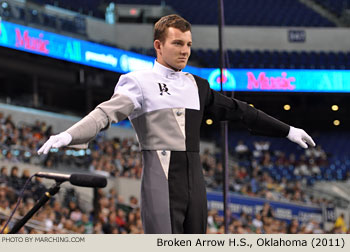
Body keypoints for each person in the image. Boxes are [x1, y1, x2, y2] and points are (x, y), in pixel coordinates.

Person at [37, 14, 315, 234]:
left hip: (195, 178)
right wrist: (68, 135)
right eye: (178, 44)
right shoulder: (138, 82)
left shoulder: (197, 85)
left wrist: (287, 130)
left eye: (189, 44)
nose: (185, 51)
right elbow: (103, 115)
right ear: (158, 45)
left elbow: (240, 111)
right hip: (161, 177)